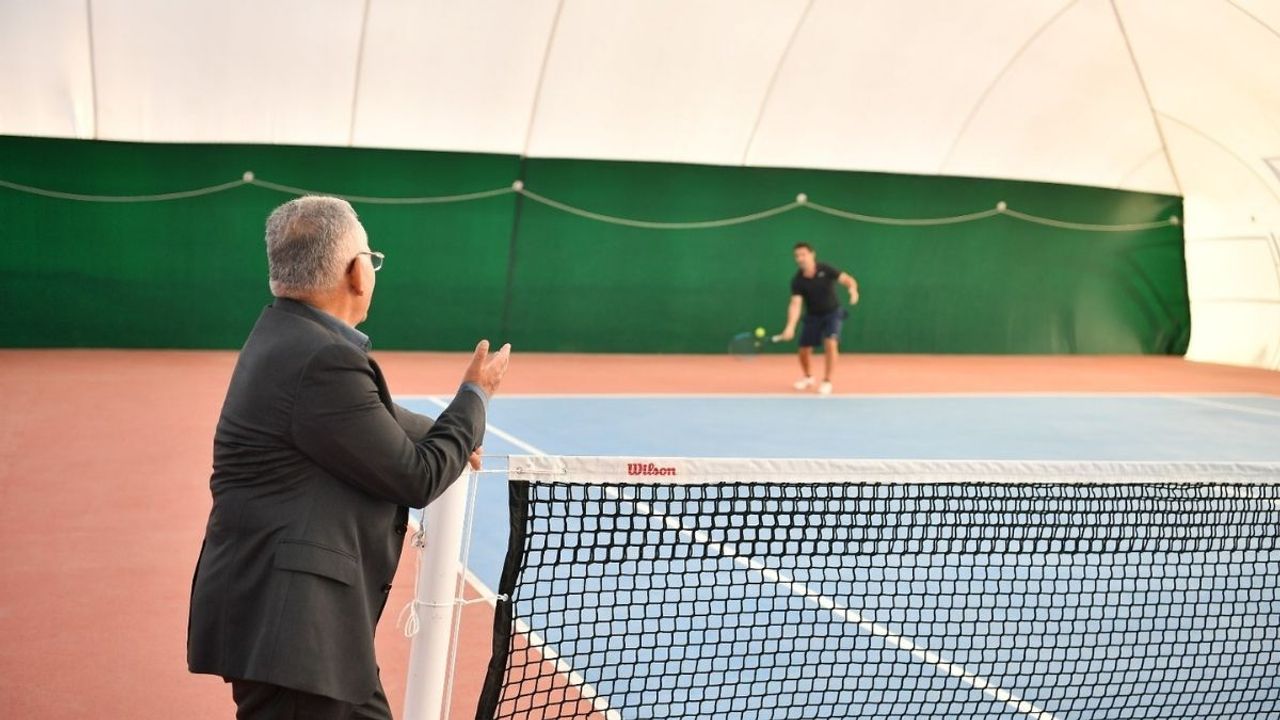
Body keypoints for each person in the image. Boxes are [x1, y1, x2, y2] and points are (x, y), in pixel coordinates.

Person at [187, 196, 510, 720]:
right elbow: (416, 476)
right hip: (291, 633)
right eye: (371, 258)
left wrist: (449, 431)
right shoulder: (322, 358)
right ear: (357, 272)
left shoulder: (283, 334)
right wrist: (475, 396)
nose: (372, 269)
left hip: (302, 635)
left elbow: (374, 418)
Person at [776, 242, 858, 394]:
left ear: (812, 254)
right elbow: (795, 304)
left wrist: (853, 290)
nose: (800, 258)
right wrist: (790, 326)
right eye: (797, 256)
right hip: (813, 316)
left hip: (832, 313)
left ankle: (827, 381)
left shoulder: (825, 269)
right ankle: (808, 377)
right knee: (803, 351)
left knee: (831, 343)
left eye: (803, 254)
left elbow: (847, 280)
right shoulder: (797, 281)